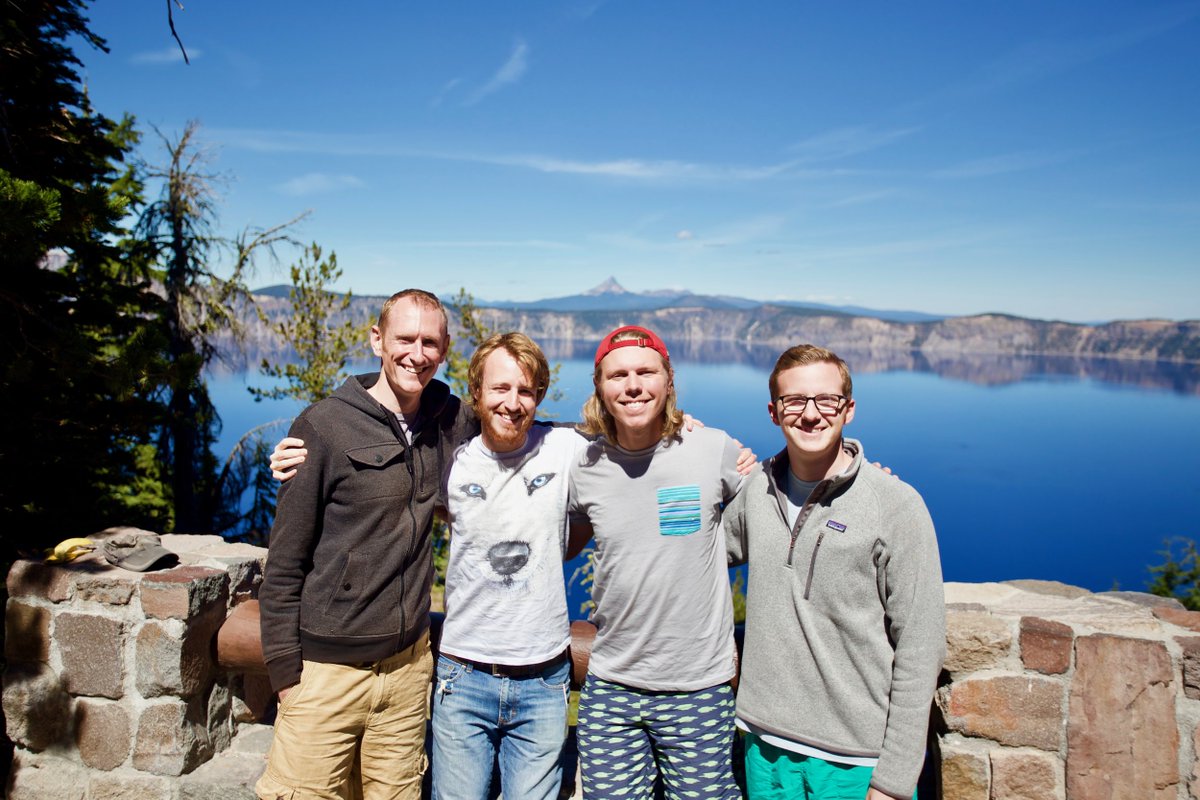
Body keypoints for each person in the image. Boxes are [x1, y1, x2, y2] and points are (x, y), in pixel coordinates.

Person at [256, 289, 476, 800]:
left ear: (443, 350)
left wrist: (650, 434)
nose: (415, 354)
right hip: (325, 676)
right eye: (404, 339)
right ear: (377, 340)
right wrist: (287, 675)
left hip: (406, 673)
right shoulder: (323, 426)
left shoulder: (450, 418)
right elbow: (285, 563)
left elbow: (519, 423)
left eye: (429, 342)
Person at [724, 344, 945, 800]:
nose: (810, 414)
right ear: (773, 411)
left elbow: (921, 644)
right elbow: (696, 550)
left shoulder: (895, 505)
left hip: (852, 762)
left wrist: (895, 780)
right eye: (794, 401)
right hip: (763, 746)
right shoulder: (755, 492)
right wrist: (683, 439)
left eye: (826, 400)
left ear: (849, 409)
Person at [567, 325, 745, 800]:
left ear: (668, 380)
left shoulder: (713, 450)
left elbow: (780, 508)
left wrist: (854, 469)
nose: (632, 385)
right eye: (617, 375)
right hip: (610, 687)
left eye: (646, 372)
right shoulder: (584, 464)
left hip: (698, 688)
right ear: (600, 388)